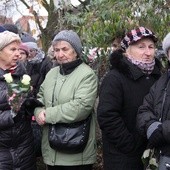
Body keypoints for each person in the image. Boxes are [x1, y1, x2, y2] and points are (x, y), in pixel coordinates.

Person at [97, 26, 162, 170]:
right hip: (123, 158)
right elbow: (107, 116)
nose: (148, 52)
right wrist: (130, 145)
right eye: (141, 47)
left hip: (153, 154)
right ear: (127, 51)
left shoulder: (158, 78)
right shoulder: (114, 78)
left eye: (151, 47)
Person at [34, 30, 98, 170]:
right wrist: (38, 111)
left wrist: (48, 114)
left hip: (76, 153)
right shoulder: (52, 73)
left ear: (75, 51)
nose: (60, 54)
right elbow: (40, 97)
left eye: (65, 49)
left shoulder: (86, 74)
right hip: (51, 150)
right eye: (56, 50)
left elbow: (81, 107)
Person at [0, 30, 37, 169]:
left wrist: (30, 105)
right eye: (12, 49)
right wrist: (12, 115)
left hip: (25, 147)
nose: (18, 53)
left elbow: (27, 99)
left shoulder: (21, 72)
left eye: (19, 49)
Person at [137, 32, 170, 168]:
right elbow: (144, 109)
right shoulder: (162, 81)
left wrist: (163, 130)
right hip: (162, 157)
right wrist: (151, 127)